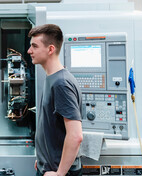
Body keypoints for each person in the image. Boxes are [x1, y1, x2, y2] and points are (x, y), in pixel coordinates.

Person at [27, 24, 83, 176]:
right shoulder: (52, 78)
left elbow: (76, 135)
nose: (29, 51)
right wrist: (43, 157)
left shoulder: (61, 83)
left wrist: (59, 173)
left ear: (50, 49)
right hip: (49, 167)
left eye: (34, 46)